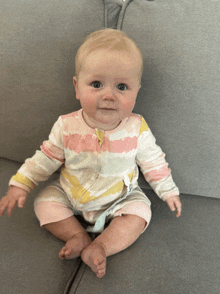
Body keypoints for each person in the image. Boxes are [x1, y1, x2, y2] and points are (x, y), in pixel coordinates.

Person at [0, 29, 181, 278]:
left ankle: (101, 247)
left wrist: (168, 190)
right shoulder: (66, 125)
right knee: (44, 204)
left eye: (122, 87)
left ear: (137, 91)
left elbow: (153, 161)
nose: (108, 95)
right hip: (70, 191)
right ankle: (77, 235)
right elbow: (46, 158)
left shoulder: (137, 127)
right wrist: (20, 184)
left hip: (120, 196)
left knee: (140, 213)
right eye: (96, 84)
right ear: (77, 87)